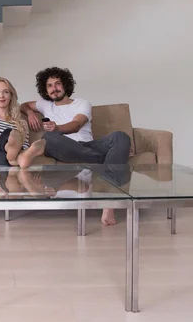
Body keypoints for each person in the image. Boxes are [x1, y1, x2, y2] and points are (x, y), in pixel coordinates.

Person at [20, 67, 131, 226]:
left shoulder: (82, 103)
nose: (54, 88)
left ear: (65, 85)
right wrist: (30, 113)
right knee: (49, 138)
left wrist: (57, 127)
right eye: (49, 85)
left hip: (88, 145)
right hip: (63, 147)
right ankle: (114, 158)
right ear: (45, 90)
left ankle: (109, 200)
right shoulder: (45, 105)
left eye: (57, 83)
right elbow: (23, 105)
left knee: (120, 137)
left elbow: (76, 125)